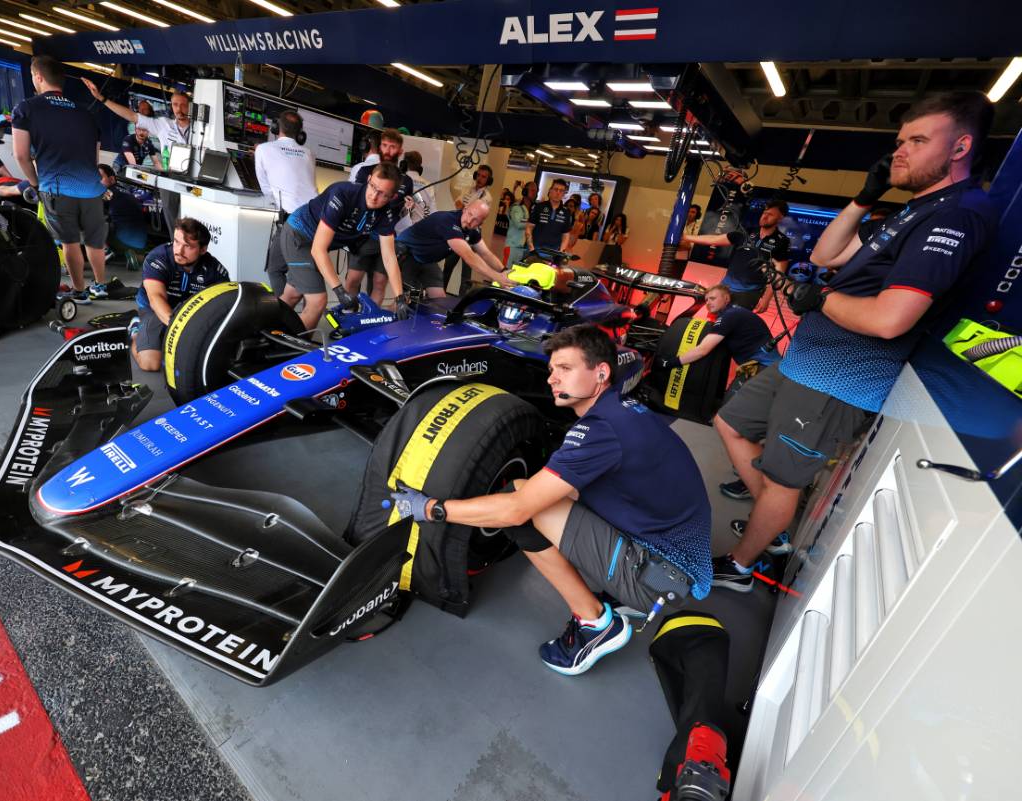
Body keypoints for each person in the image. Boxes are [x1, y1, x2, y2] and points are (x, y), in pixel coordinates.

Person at [711, 91, 996, 592]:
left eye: (918, 140)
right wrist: (866, 197)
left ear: (959, 148)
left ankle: (740, 566)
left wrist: (818, 300)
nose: (901, 150)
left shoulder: (956, 215)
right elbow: (826, 253)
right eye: (900, 140)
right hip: (804, 363)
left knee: (783, 479)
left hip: (840, 381)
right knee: (729, 422)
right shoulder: (912, 211)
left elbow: (891, 319)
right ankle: (770, 528)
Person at [391, 324, 713, 675]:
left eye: (566, 369)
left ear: (601, 373)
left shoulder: (598, 431)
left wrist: (430, 508)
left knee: (521, 501)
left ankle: (594, 624)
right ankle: (621, 592)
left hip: (659, 577)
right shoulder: (623, 409)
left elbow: (516, 510)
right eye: (551, 371)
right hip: (671, 557)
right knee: (535, 490)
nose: (552, 379)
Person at [265, 163, 408, 331]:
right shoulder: (342, 194)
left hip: (313, 244)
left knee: (291, 295)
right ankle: (292, 352)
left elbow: (389, 257)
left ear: (392, 197)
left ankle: (267, 333)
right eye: (373, 187)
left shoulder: (386, 214)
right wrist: (340, 290)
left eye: (382, 194)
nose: (374, 196)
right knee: (317, 301)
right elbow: (318, 249)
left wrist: (399, 298)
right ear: (368, 179)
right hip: (299, 235)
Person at [13, 55, 109, 302]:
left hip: (56, 188)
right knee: (95, 241)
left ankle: (79, 291)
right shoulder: (86, 113)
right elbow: (95, 157)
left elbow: (21, 155)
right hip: (91, 189)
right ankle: (101, 285)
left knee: (70, 242)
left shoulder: (27, 108)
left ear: (38, 77)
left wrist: (35, 184)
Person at [81, 78, 193, 236]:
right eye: (175, 104)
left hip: (193, 181)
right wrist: (102, 98)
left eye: (183, 104)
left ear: (190, 106)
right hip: (170, 180)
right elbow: (132, 116)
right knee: (174, 224)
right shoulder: (164, 124)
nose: (179, 109)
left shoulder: (200, 128)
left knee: (191, 222)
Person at [130, 218, 230, 372]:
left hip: (188, 312)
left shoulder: (215, 271)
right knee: (150, 363)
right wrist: (178, 329)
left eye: (187, 246)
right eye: (176, 242)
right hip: (154, 309)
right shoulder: (158, 257)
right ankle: (136, 330)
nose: (179, 251)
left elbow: (221, 308)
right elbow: (156, 298)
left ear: (203, 250)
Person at [679, 200, 791, 311]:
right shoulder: (747, 232)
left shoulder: (782, 241)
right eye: (764, 213)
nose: (765, 217)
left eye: (770, 214)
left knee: (731, 323)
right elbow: (715, 239)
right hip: (725, 286)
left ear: (780, 218)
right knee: (713, 318)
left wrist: (766, 299)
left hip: (749, 293)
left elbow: (779, 275)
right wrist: (686, 237)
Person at [344, 129, 411, 302]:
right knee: (353, 280)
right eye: (385, 145)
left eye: (393, 147)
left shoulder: (406, 181)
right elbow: (357, 202)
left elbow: (398, 211)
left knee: (379, 282)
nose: (388, 151)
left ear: (400, 151)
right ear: (379, 146)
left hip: (388, 237)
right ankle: (348, 316)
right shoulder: (364, 171)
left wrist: (406, 208)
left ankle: (370, 320)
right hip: (362, 236)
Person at [395, 201, 514, 298]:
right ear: (465, 209)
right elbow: (470, 257)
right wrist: (496, 277)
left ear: (481, 223)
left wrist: (503, 270)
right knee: (404, 301)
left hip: (426, 260)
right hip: (406, 253)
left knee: (439, 299)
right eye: (469, 214)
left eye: (476, 220)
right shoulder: (448, 221)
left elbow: (486, 253)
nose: (469, 220)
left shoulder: (472, 230)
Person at [442, 165, 496, 292]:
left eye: (484, 177)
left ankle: (461, 301)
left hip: (472, 233)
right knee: (448, 265)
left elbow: (472, 212)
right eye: (478, 175)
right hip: (458, 230)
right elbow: (458, 203)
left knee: (467, 270)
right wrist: (466, 209)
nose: (480, 178)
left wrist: (465, 209)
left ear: (488, 180)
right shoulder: (467, 189)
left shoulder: (487, 197)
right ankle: (439, 294)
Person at [255, 110, 318, 214]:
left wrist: (259, 152)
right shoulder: (310, 154)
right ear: (300, 134)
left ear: (276, 127)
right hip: (313, 214)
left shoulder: (262, 149)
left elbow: (267, 191)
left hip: (290, 217)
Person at [98, 164, 148, 268]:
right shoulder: (125, 191)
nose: (96, 182)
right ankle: (128, 253)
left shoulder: (107, 193)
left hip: (122, 239)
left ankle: (106, 251)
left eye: (100, 178)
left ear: (111, 179)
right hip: (141, 242)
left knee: (89, 217)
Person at [526, 179, 575, 255]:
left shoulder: (566, 212)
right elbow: (529, 228)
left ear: (564, 194)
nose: (558, 192)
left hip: (552, 254)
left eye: (561, 191)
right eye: (556, 189)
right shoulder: (539, 207)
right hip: (534, 251)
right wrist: (531, 248)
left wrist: (561, 252)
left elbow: (566, 235)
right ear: (550, 190)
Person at [396, 150, 435, 234]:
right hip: (420, 231)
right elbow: (433, 212)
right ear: (420, 168)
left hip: (399, 230)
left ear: (403, 165)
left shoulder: (398, 182)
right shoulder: (429, 185)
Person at [504, 181, 537, 270]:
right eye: (532, 190)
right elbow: (518, 224)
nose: (535, 193)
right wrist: (533, 224)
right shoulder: (517, 207)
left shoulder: (533, 210)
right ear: (525, 192)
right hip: (512, 247)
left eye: (536, 191)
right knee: (506, 272)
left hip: (524, 249)